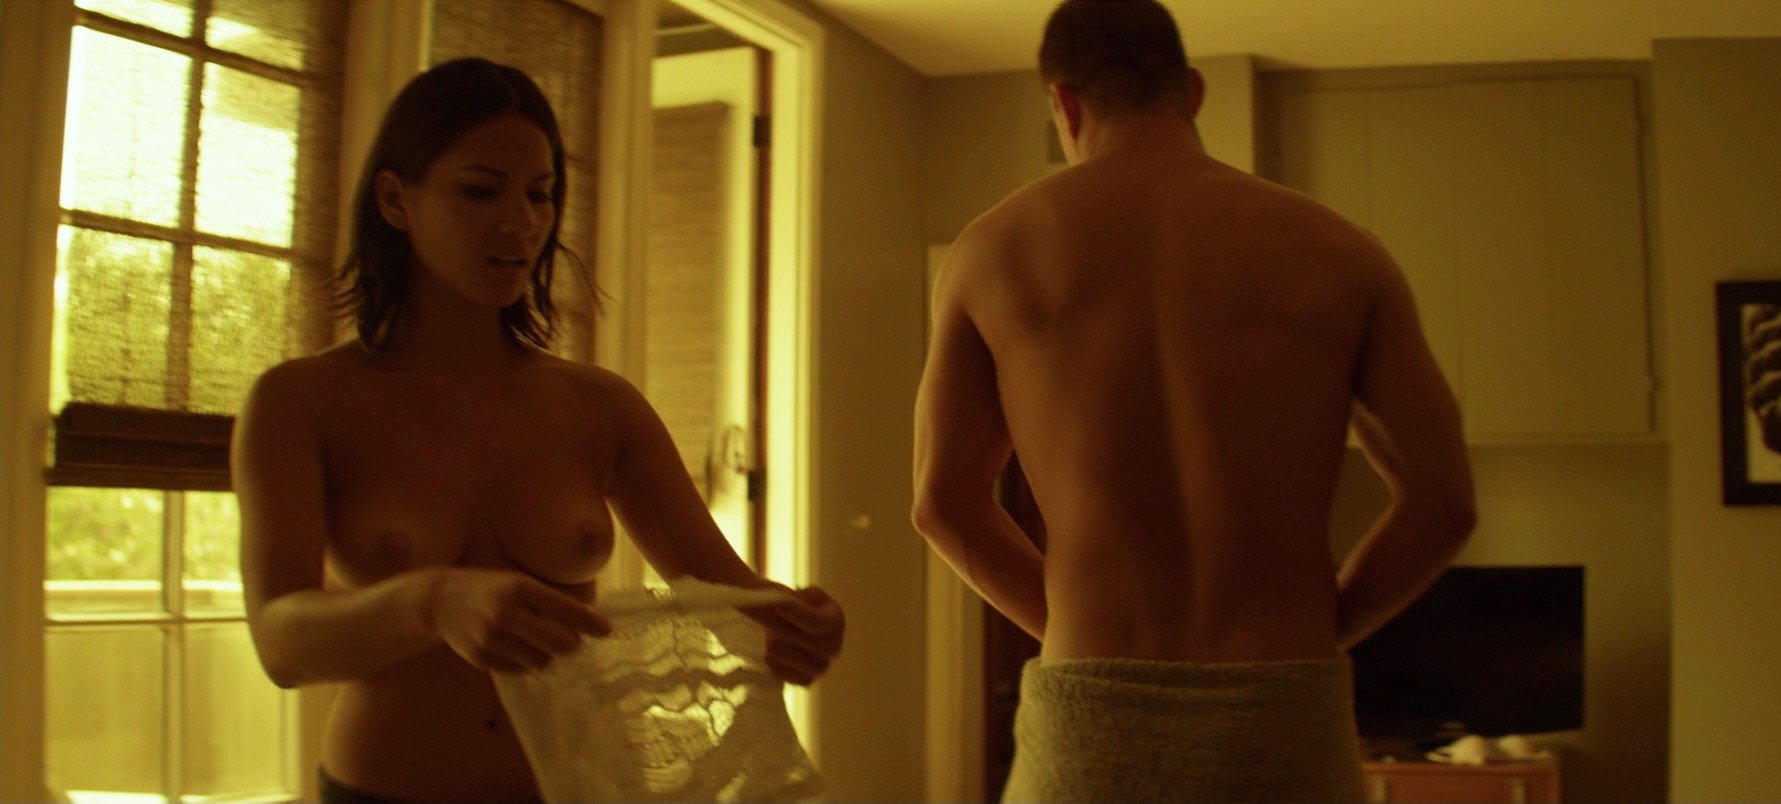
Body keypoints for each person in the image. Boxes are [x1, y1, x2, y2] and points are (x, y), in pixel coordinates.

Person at [234, 57, 844, 803]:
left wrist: (796, 624)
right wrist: (432, 601)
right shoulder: (300, 402)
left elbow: (731, 602)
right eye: (481, 190)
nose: (521, 222)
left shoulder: (598, 407)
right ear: (395, 199)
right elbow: (282, 644)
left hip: (575, 788)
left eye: (541, 193)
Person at [911, 1, 1476, 801]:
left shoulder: (991, 253)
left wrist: (1074, 636)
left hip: (1090, 731)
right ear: (1193, 91)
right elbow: (1444, 504)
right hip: (1282, 719)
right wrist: (1319, 634)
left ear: (1064, 104)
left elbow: (943, 505)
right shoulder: (1340, 252)